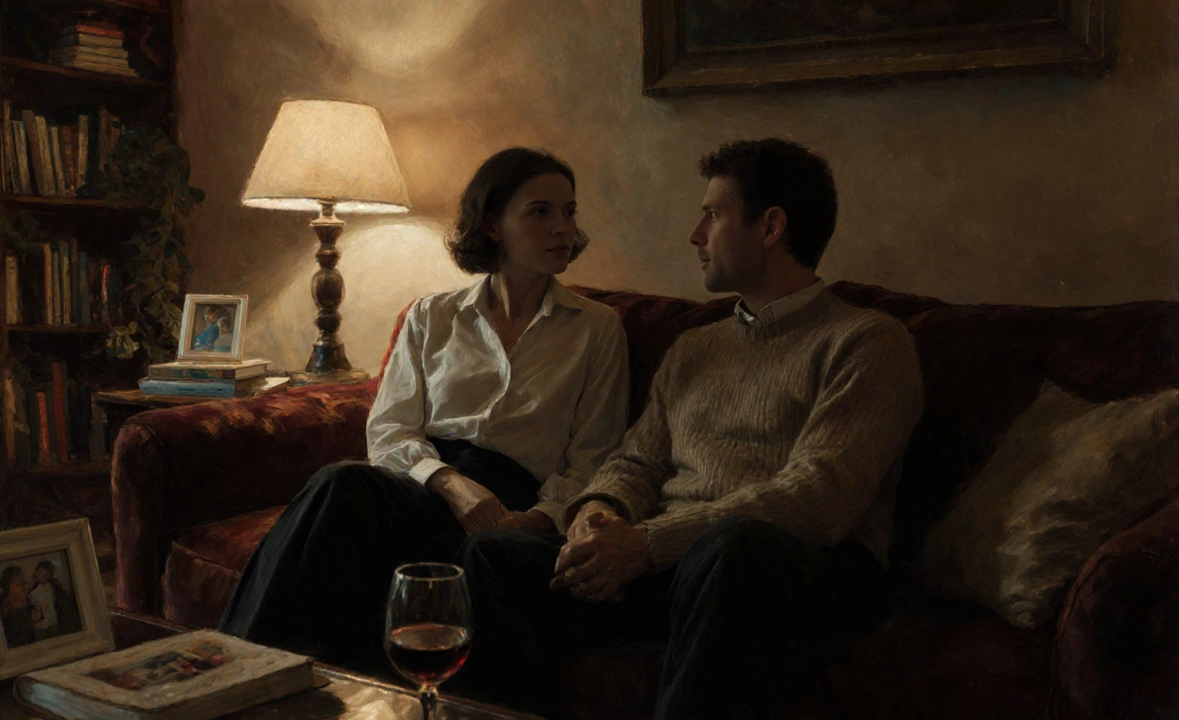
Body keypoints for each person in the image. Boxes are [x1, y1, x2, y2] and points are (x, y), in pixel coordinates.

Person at [459, 139, 925, 718]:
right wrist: (598, 515)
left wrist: (651, 543)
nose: (695, 235)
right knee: (492, 555)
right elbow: (636, 462)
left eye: (712, 214)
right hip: (675, 562)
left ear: (771, 225)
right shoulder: (696, 347)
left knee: (730, 549)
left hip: (799, 566)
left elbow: (822, 495)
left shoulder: (867, 341)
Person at [218, 147, 631, 674]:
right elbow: (389, 431)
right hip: (425, 485)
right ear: (492, 226)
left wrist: (533, 520)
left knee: (386, 556)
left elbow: (594, 458)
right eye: (540, 212)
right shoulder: (433, 316)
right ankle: (237, 675)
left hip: (515, 501)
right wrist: (451, 484)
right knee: (341, 484)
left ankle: (270, 678)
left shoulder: (597, 328)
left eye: (569, 212)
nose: (563, 228)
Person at [29, 559, 80, 640]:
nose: (43, 575)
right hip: (40, 626)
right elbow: (32, 608)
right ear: (36, 573)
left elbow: (63, 603)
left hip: (54, 622)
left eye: (46, 572)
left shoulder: (56, 587)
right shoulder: (33, 591)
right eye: (40, 572)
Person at [0, 565, 35, 649]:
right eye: (21, 575)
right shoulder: (8, 595)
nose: (23, 577)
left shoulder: (23, 589)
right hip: (15, 632)